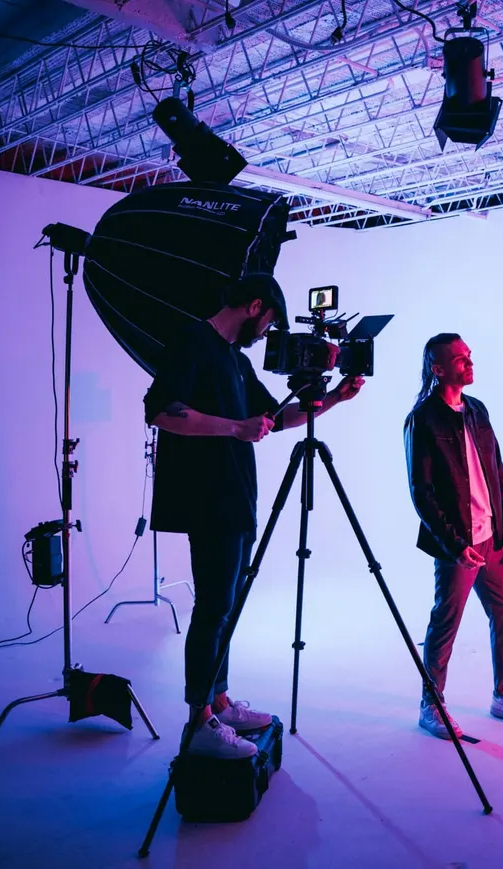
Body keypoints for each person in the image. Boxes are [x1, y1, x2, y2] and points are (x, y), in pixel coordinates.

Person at [144, 272, 364, 759]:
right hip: (208, 499)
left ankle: (218, 700)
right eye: (269, 323)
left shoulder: (236, 360)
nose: (267, 334)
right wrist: (233, 427)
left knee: (227, 607)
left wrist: (332, 401)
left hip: (239, 498)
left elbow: (275, 418)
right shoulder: (193, 341)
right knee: (212, 609)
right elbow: (160, 410)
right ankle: (199, 718)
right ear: (255, 306)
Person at [404, 333, 503, 739]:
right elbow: (421, 492)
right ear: (438, 368)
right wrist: (453, 544)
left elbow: (497, 471)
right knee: (446, 621)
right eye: (460, 358)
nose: (469, 362)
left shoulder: (477, 410)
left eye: (469, 356)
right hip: (458, 545)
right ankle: (432, 704)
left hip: (492, 537)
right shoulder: (423, 419)